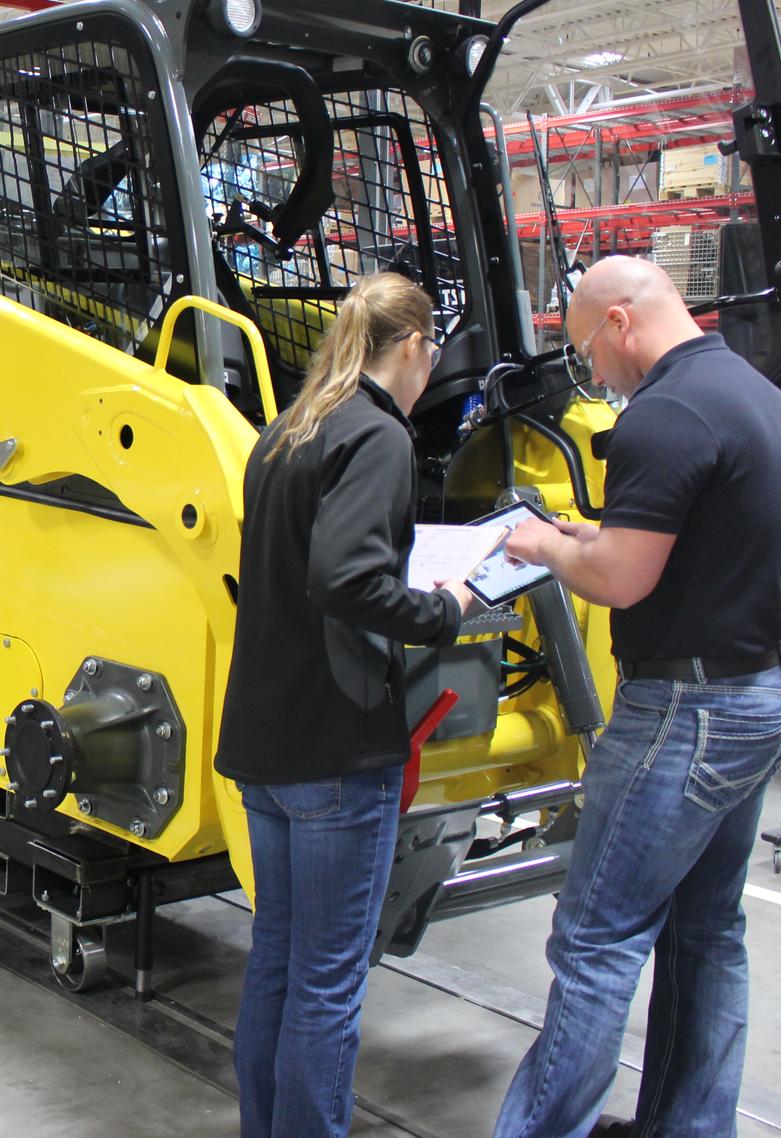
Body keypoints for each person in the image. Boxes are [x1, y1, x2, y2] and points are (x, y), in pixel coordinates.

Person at [495, 255, 781, 1138]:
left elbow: (621, 582)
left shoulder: (662, 416)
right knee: (708, 930)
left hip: (690, 715)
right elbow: (699, 538)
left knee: (595, 941)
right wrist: (592, 534)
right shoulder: (753, 393)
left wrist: (543, 546)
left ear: (619, 323)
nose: (594, 377)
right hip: (768, 691)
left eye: (586, 354)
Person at [216, 272, 473, 1138]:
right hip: (334, 748)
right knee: (327, 983)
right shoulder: (378, 435)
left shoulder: (286, 431)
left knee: (279, 962)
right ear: (415, 347)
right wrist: (443, 611)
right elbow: (347, 578)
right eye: (433, 352)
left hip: (265, 739)